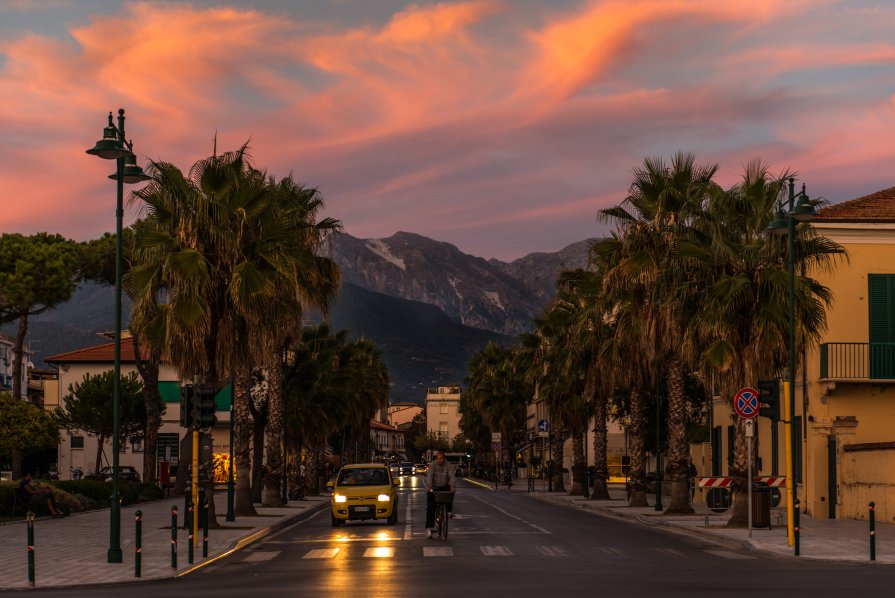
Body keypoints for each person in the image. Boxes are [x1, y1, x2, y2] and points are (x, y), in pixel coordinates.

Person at [424, 451, 456, 537]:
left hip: (444, 486)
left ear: (444, 459)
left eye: (441, 458)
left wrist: (452, 486)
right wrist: (429, 486)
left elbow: (452, 476)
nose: (439, 460)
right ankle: (429, 529)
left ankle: (449, 511)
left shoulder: (448, 465)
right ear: (436, 459)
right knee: (430, 508)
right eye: (438, 458)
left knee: (450, 492)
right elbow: (429, 476)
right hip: (434, 487)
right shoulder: (432, 465)